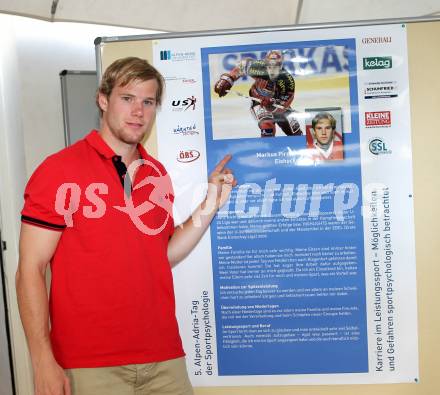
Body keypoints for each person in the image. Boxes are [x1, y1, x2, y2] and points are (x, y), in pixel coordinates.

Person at [16, 57, 236, 395]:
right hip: (88, 364)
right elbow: (30, 269)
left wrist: (210, 204)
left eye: (148, 102)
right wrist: (42, 360)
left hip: (163, 358)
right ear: (103, 100)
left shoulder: (157, 173)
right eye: (127, 98)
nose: (138, 111)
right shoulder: (59, 171)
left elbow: (163, 254)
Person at [214, 50, 302, 137]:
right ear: (265, 62)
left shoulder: (288, 80)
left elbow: (285, 103)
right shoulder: (258, 66)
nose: (272, 68)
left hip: (278, 103)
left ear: (281, 65)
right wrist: (227, 80)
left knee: (296, 133)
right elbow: (242, 65)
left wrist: (273, 106)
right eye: (269, 64)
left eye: (276, 65)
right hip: (259, 102)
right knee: (267, 128)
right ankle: (266, 150)